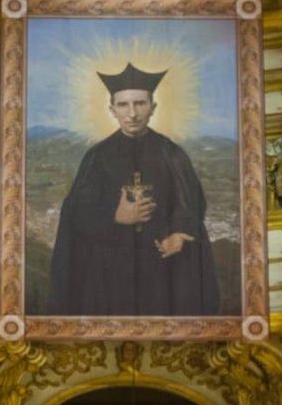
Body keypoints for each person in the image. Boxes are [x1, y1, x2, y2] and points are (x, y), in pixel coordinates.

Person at [47, 62, 220, 316]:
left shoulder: (171, 153)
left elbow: (191, 203)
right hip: (109, 271)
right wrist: (114, 216)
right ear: (112, 110)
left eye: (140, 103)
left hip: (161, 268)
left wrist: (180, 235)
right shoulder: (97, 156)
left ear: (153, 108)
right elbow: (76, 213)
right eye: (123, 105)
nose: (132, 113)